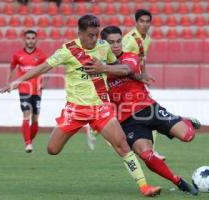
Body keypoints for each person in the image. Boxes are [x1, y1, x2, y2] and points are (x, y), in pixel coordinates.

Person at [0, 15, 161, 197]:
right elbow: (44, 67)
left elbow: (118, 66)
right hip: (75, 110)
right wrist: (18, 81)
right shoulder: (67, 50)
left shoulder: (103, 46)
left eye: (97, 34)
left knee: (122, 145)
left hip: (101, 108)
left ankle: (144, 187)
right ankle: (81, 130)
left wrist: (137, 76)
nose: (94, 39)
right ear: (80, 34)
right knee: (52, 150)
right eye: (91, 35)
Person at [86, 25, 200, 195]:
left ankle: (185, 120)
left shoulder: (130, 57)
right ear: (103, 43)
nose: (116, 46)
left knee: (188, 136)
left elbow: (127, 69)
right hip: (128, 121)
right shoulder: (95, 65)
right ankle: (178, 181)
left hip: (149, 109)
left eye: (118, 41)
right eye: (111, 42)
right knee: (146, 155)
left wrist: (103, 69)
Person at [7, 30, 47, 153]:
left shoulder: (41, 55)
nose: (30, 40)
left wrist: (43, 82)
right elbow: (12, 67)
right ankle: (28, 143)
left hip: (37, 90)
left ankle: (29, 140)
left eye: (33, 38)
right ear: (24, 40)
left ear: (36, 40)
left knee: (35, 120)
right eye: (28, 38)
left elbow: (45, 69)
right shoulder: (17, 55)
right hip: (24, 89)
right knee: (26, 115)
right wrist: (9, 83)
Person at [122, 9, 156, 148]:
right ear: (136, 22)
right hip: (126, 81)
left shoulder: (147, 39)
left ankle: (150, 150)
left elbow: (142, 59)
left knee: (149, 113)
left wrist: (145, 74)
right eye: (142, 21)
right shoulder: (129, 40)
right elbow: (120, 62)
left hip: (136, 81)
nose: (145, 24)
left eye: (147, 21)